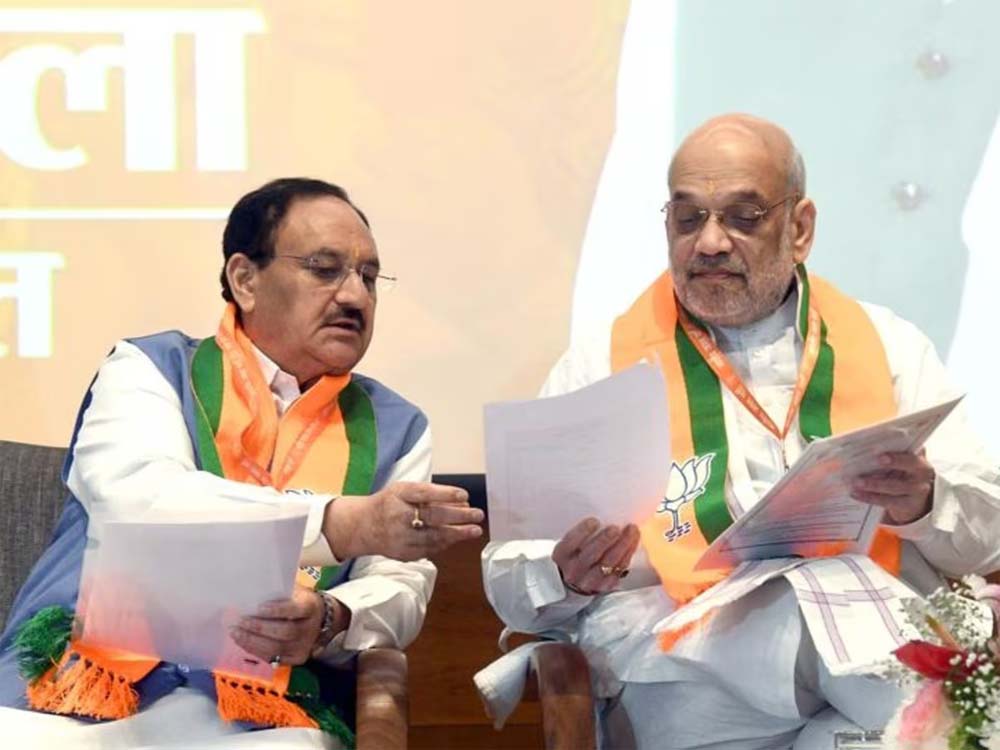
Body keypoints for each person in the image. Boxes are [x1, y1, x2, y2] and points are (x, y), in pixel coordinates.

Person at [482, 115, 1000, 749]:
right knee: (889, 665)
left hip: (860, 669)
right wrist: (562, 574)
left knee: (883, 690)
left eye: (742, 217)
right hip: (683, 672)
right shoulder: (602, 366)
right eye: (688, 218)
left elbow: (988, 541)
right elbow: (508, 578)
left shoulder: (889, 345)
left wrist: (924, 502)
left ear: (800, 229)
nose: (709, 242)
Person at [0, 177, 483, 748]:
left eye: (369, 278)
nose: (355, 297)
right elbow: (142, 502)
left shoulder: (397, 426)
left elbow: (400, 585)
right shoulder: (148, 369)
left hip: (267, 712)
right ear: (245, 279)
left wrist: (331, 616)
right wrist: (339, 523)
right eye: (325, 269)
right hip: (74, 691)